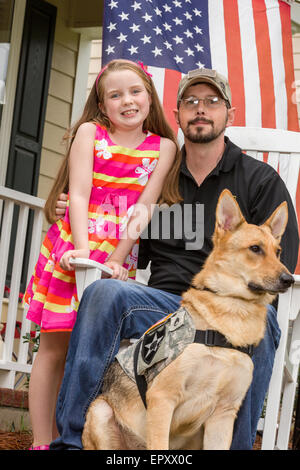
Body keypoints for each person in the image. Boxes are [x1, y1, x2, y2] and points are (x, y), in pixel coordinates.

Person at [51, 68, 299, 450]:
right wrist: (66, 207)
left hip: (234, 309)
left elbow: (277, 268)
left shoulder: (259, 181)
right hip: (165, 309)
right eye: (191, 102)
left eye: (212, 101)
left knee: (265, 319)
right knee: (104, 293)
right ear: (178, 113)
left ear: (229, 115)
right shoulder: (158, 175)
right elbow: (115, 217)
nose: (201, 110)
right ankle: (71, 442)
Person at [23, 59, 179, 450]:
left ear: (149, 95)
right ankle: (44, 442)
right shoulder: (91, 133)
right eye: (115, 95)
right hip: (74, 248)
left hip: (115, 255)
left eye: (135, 91)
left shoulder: (164, 148)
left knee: (90, 348)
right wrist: (81, 248)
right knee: (55, 345)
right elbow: (77, 193)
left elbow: (144, 208)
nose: (127, 101)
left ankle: (76, 437)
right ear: (102, 104)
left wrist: (117, 258)